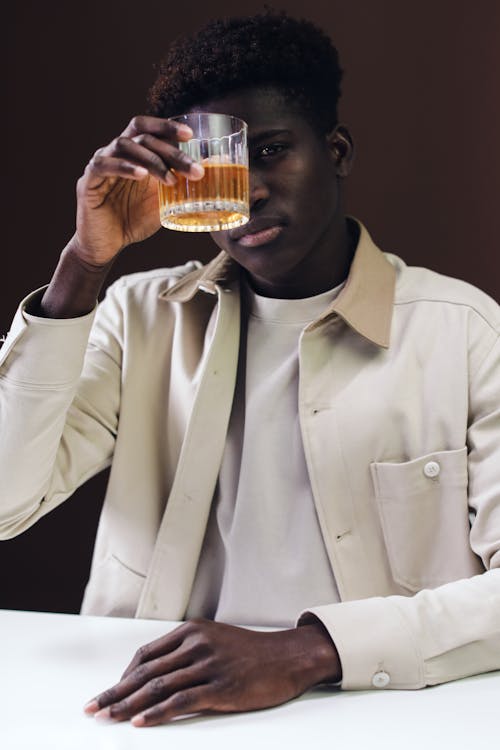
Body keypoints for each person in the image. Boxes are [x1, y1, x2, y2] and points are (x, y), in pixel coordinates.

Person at [1, 10, 499, 728]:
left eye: (271, 152)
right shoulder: (139, 318)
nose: (248, 192)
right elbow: (5, 501)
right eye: (217, 170)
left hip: (388, 714)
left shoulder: (464, 331)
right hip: (160, 713)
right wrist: (83, 265)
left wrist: (305, 651)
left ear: (337, 152)